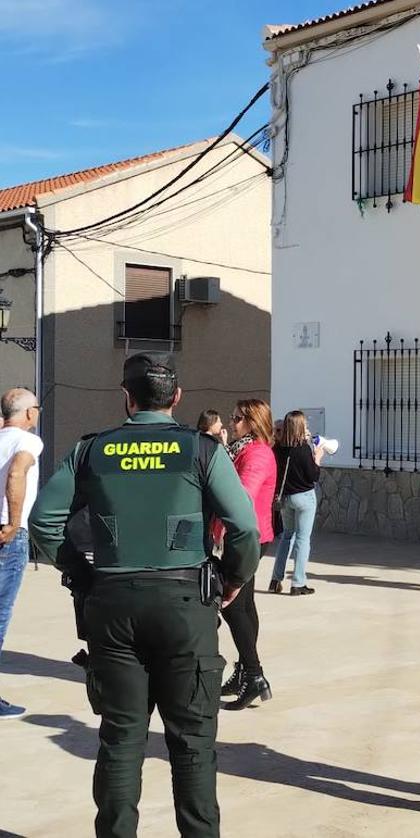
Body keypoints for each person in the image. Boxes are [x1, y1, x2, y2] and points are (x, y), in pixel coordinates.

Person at [29, 352, 260, 838]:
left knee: (120, 740)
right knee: (193, 744)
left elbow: (44, 522)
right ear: (176, 397)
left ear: (126, 397)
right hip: (185, 608)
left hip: (111, 606)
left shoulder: (92, 450)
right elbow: (243, 528)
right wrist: (234, 580)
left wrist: (80, 574)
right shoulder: (201, 450)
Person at [218, 399, 277, 710]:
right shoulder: (242, 449)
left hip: (245, 538)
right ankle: (245, 670)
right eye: (233, 416)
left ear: (253, 422)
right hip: (245, 536)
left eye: (238, 418)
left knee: (233, 607)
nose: (232, 422)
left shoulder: (257, 454)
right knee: (245, 605)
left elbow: (241, 496)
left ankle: (254, 675)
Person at [0, 388, 43, 719]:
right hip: (6, 536)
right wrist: (14, 522)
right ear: (29, 413)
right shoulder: (28, 441)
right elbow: (17, 472)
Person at [270, 410, 323, 595]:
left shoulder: (278, 448)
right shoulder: (303, 449)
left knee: (286, 536)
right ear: (301, 427)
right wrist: (317, 458)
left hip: (285, 498)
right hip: (304, 497)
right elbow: (313, 476)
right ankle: (298, 582)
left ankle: (276, 579)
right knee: (302, 538)